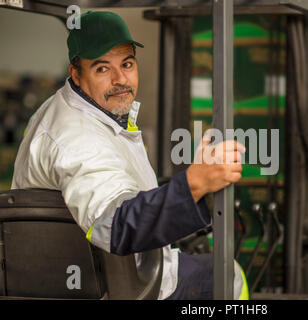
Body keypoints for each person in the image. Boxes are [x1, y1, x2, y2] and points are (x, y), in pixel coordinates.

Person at [12, 10, 248, 300]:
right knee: (229, 275)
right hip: (120, 282)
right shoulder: (77, 137)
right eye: (102, 68)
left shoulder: (76, 109)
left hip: (88, 273)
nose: (120, 79)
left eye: (127, 63)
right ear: (76, 72)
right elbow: (113, 226)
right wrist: (194, 183)